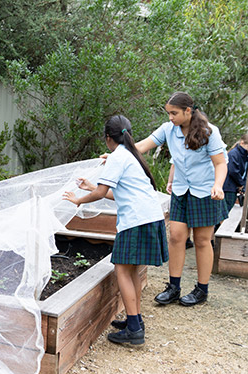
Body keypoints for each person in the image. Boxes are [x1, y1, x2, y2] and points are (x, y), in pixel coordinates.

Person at [63, 115, 168, 345]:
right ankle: (136, 321)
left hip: (137, 222)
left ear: (108, 138)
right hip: (149, 218)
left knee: (122, 271)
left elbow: (101, 194)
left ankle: (134, 330)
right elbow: (116, 194)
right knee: (131, 272)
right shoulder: (130, 155)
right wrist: (92, 186)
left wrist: (78, 200)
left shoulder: (118, 157)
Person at [136, 92, 228, 307]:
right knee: (176, 237)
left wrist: (218, 185)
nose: (170, 117)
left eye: (174, 113)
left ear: (188, 111)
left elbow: (220, 164)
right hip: (181, 190)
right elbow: (141, 146)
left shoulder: (209, 132)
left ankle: (201, 290)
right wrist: (117, 154)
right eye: (168, 113)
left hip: (205, 191)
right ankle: (173, 287)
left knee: (202, 241)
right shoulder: (169, 129)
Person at [223, 133, 248, 214]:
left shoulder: (244, 155)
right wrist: (241, 184)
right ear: (242, 143)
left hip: (233, 186)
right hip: (228, 187)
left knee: (227, 209)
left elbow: (244, 171)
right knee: (226, 210)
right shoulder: (234, 154)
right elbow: (233, 171)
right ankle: (218, 227)